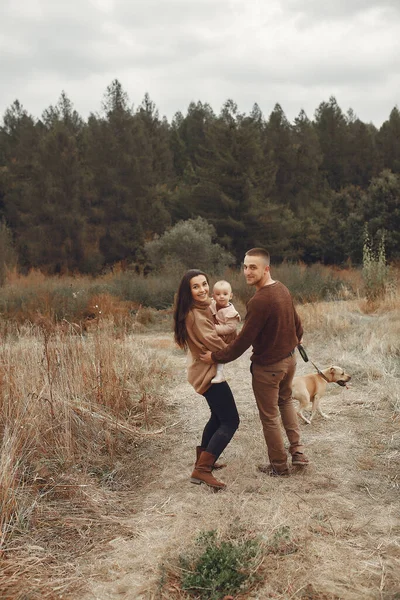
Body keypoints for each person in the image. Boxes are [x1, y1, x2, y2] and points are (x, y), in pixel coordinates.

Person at [201, 248, 309, 477]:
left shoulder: (259, 300)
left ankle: (279, 466)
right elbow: (297, 324)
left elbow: (242, 341)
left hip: (269, 368)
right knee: (286, 401)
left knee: (270, 417)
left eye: (253, 267)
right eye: (245, 266)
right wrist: (294, 340)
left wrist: (215, 357)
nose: (247, 272)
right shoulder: (282, 288)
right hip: (289, 362)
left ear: (266, 269)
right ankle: (297, 451)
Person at [173, 269, 240, 490]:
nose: (202, 289)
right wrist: (234, 347)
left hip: (206, 371)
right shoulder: (195, 314)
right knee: (231, 420)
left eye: (204, 284)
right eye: (196, 286)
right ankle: (202, 470)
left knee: (217, 417)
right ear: (188, 291)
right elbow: (214, 342)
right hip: (209, 375)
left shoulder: (203, 308)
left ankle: (202, 459)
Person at [210, 280, 241, 384]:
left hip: (227, 336)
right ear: (213, 296)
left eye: (225, 294)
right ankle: (210, 367)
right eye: (218, 294)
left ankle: (219, 373)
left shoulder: (231, 312)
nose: (221, 297)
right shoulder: (213, 303)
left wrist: (215, 328)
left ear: (230, 296)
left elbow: (230, 328)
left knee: (221, 352)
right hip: (218, 332)